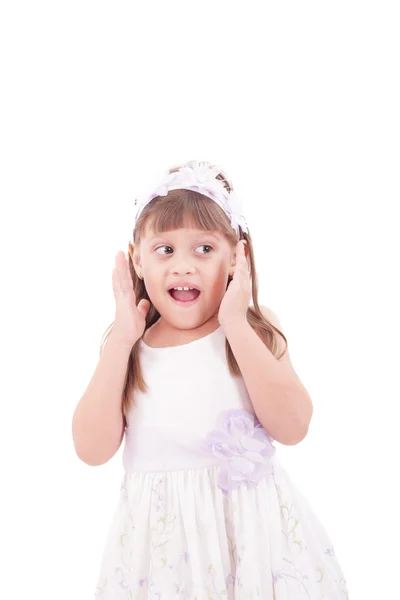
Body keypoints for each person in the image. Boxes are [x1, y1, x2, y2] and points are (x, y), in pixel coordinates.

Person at [72, 159, 349, 599]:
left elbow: (294, 427)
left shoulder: (251, 331)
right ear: (138, 260)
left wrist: (236, 324)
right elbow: (90, 450)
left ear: (237, 256)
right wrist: (120, 344)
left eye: (204, 249)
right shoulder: (130, 347)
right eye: (166, 250)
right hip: (165, 559)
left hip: (254, 547)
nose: (184, 266)